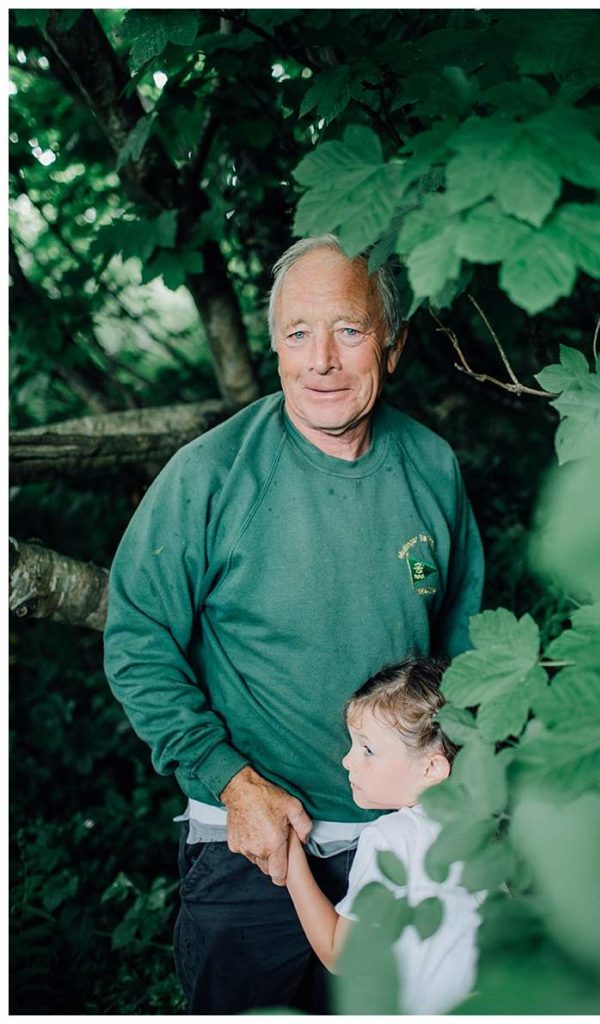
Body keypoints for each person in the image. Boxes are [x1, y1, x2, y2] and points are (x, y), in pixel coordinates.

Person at [103, 234, 484, 1013]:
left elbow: (467, 652)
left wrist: (463, 792)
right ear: (275, 344)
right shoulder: (210, 476)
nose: (322, 362)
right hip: (259, 843)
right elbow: (138, 640)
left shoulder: (432, 466)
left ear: (393, 343)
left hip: (408, 839)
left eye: (348, 330)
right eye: (297, 334)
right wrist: (231, 783)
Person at [285, 656, 484, 1014]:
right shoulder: (483, 834)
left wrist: (290, 857)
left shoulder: (392, 837)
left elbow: (342, 955)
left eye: (368, 750)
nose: (348, 761)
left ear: (431, 768)